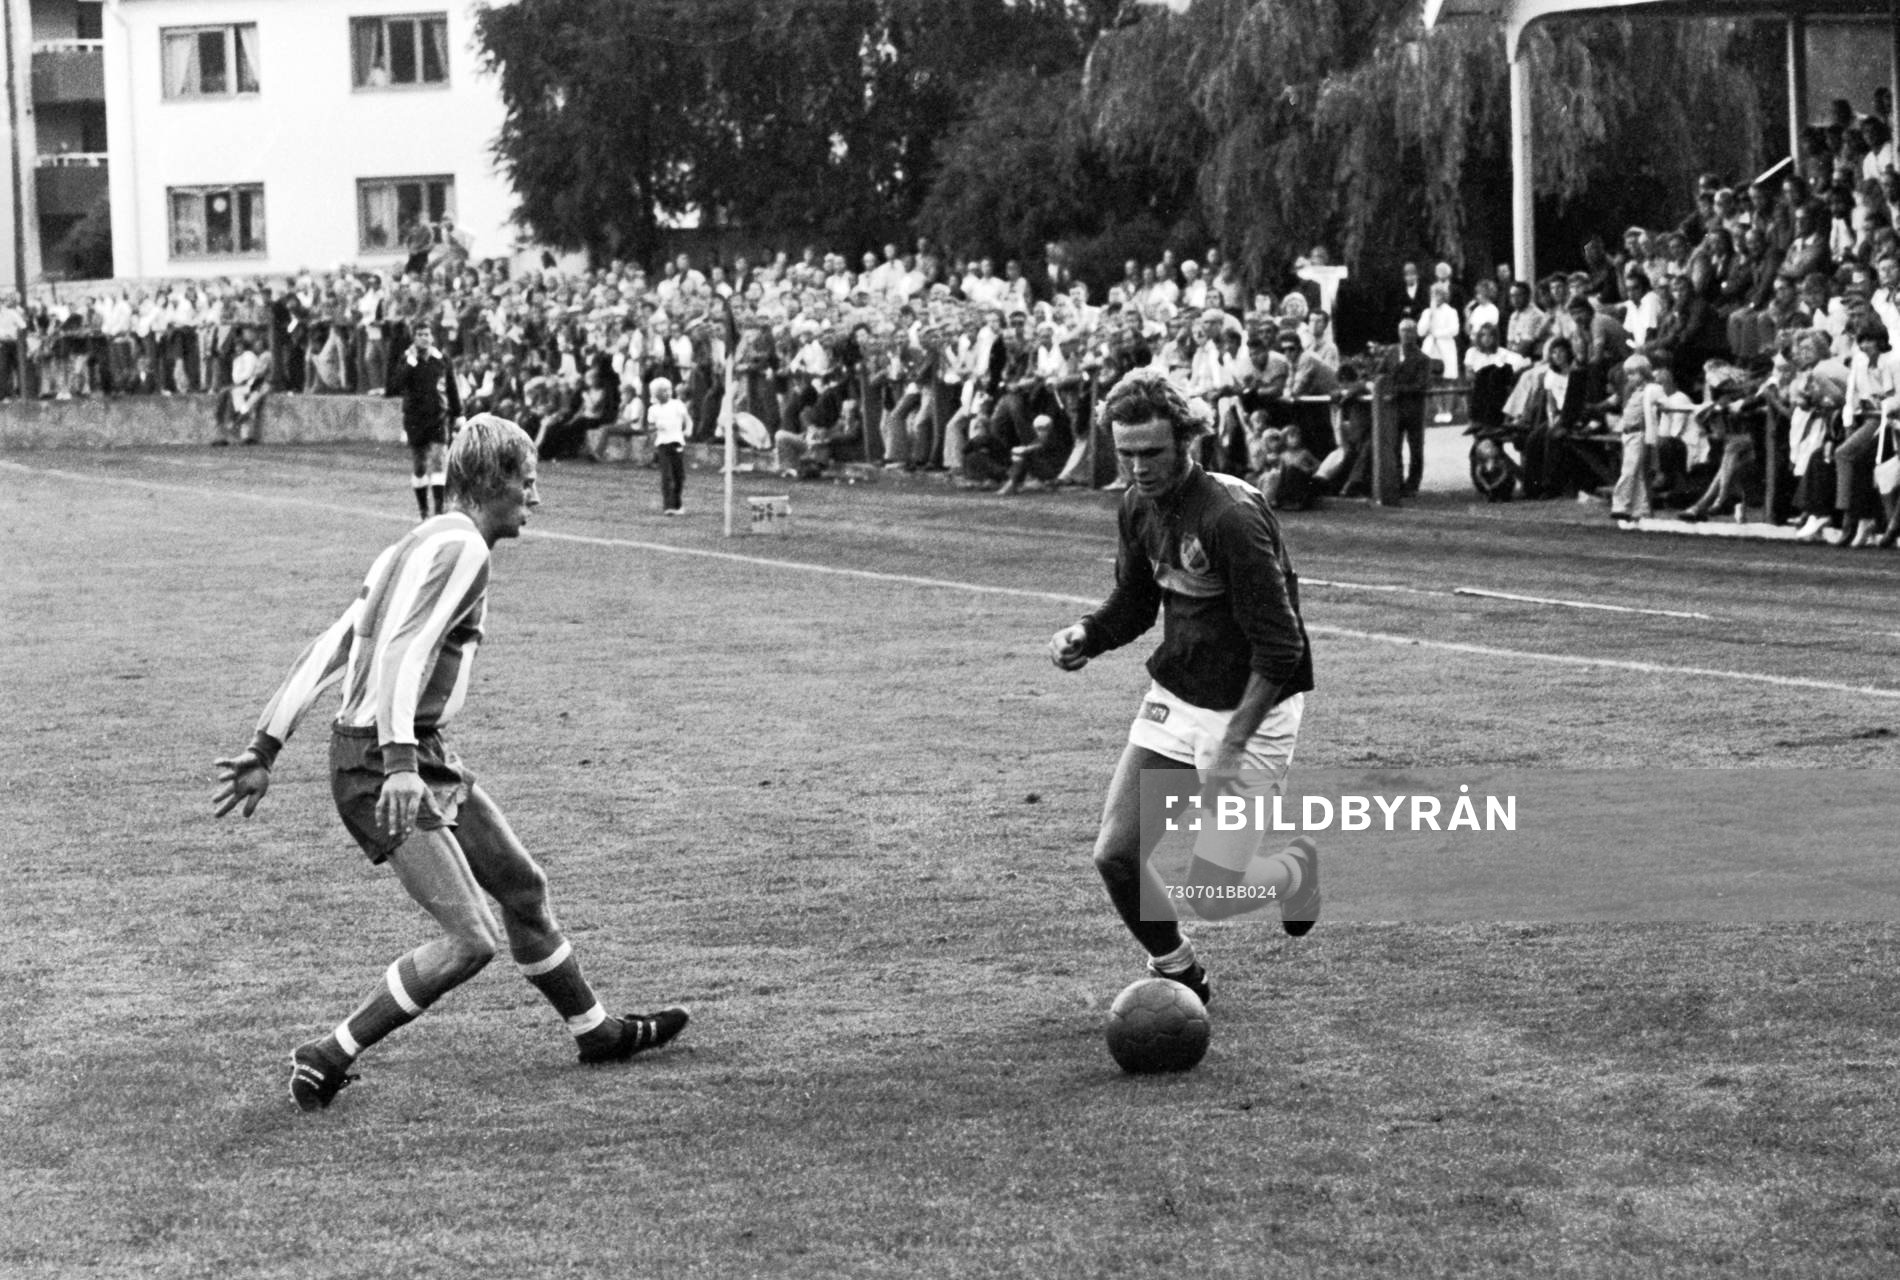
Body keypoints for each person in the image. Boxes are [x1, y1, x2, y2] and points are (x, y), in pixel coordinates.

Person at [211, 417, 688, 1112]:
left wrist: (266, 745)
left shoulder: (419, 539)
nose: (535, 497)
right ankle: (326, 1054)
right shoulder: (465, 549)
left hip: (414, 749)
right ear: (493, 482)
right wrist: (401, 763)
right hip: (385, 760)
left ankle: (597, 1031)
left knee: (523, 886)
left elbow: (334, 643)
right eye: (529, 482)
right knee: (470, 941)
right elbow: (403, 649)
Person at [1046, 369, 1320, 1007]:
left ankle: (1291, 872)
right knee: (1115, 856)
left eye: (1153, 453)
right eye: (1126, 452)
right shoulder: (1136, 504)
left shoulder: (1230, 516)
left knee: (1216, 892)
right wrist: (1088, 633)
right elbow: (1137, 603)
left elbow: (1283, 646)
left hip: (1257, 707)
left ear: (1188, 442)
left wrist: (1233, 743)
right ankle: (1178, 972)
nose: (1138, 467)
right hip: (1180, 697)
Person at [386, 321, 463, 519]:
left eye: (427, 334)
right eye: (420, 334)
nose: (424, 338)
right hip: (415, 418)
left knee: (438, 461)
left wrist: (459, 413)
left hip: (438, 416)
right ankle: (423, 510)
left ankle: (439, 511)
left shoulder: (441, 359)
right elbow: (395, 385)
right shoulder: (406, 359)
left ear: (432, 336)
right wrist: (410, 363)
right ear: (414, 337)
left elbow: (452, 387)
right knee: (420, 465)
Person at [648, 375, 690, 515]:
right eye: (663, 391)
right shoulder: (653, 410)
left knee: (679, 476)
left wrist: (688, 429)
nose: (667, 393)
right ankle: (668, 506)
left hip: (676, 441)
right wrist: (656, 428)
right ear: (656, 394)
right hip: (663, 444)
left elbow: (687, 420)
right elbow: (650, 427)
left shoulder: (677, 405)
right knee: (666, 475)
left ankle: (677, 503)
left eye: (668, 390)